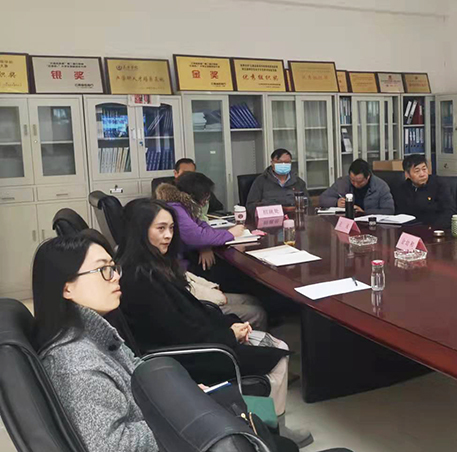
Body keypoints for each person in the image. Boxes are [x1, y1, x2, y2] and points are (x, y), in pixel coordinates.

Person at [116, 199, 313, 447]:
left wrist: (229, 325)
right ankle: (273, 431)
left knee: (266, 341)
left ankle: (263, 426)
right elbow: (179, 332)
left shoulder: (150, 265)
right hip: (192, 357)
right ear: (140, 230)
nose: (168, 236)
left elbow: (191, 313)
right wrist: (229, 335)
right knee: (278, 352)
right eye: (160, 229)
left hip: (198, 343)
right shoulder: (142, 279)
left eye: (171, 228)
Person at [33, 233, 160, 452]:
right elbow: (114, 446)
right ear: (67, 288)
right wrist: (179, 419)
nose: (116, 276)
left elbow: (135, 367)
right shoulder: (76, 364)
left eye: (113, 267)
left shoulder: (95, 333)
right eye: (103, 269)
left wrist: (175, 394)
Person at [155, 172, 267, 330]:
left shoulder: (181, 206)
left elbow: (201, 227)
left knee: (241, 280)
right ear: (195, 194)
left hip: (184, 269)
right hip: (184, 272)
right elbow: (197, 237)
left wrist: (206, 244)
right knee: (240, 276)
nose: (207, 201)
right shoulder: (176, 209)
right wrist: (230, 234)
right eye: (206, 196)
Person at [391, 154, 456, 229]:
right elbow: (400, 214)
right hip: (411, 229)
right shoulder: (402, 189)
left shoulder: (439, 184)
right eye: (417, 171)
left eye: (424, 169)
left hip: (435, 229)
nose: (422, 174)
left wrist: (432, 228)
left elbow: (449, 211)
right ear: (407, 174)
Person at [319, 158, 394, 214]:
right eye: (352, 180)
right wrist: (336, 202)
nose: (355, 184)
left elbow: (389, 210)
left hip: (370, 225)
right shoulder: (343, 182)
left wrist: (364, 212)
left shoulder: (381, 186)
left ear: (368, 176)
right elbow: (323, 198)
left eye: (359, 182)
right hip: (347, 222)